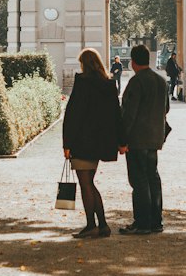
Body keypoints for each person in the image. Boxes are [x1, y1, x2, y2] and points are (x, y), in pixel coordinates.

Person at [62, 47, 124, 240]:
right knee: (89, 182)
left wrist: (67, 143)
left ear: (84, 64)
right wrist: (120, 141)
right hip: (99, 143)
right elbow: (116, 115)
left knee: (86, 184)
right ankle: (102, 225)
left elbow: (73, 114)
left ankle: (92, 225)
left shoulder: (82, 82)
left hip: (82, 141)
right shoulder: (108, 84)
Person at [118, 43, 169, 236]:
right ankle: (156, 221)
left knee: (139, 181)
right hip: (155, 137)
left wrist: (122, 140)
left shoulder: (136, 82)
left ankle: (142, 222)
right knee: (153, 178)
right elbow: (166, 109)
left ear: (132, 62)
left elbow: (129, 114)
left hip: (137, 139)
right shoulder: (161, 80)